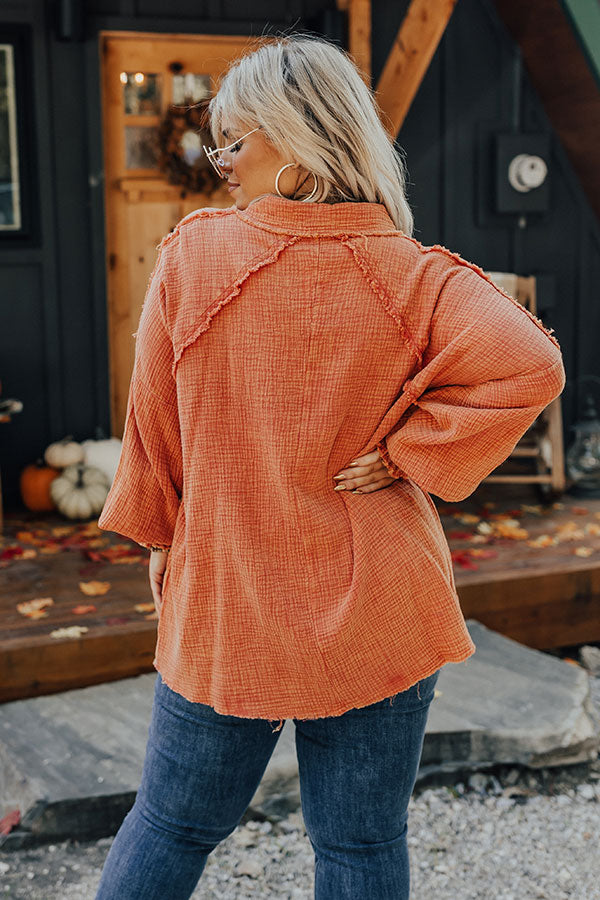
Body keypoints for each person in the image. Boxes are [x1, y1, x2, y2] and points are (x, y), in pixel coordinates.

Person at [94, 34, 565, 900]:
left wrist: (163, 539)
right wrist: (409, 452)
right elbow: (529, 361)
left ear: (298, 137)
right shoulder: (409, 274)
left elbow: (150, 428)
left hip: (230, 597)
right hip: (378, 604)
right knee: (358, 847)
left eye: (234, 142)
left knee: (170, 824)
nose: (220, 162)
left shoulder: (194, 256)